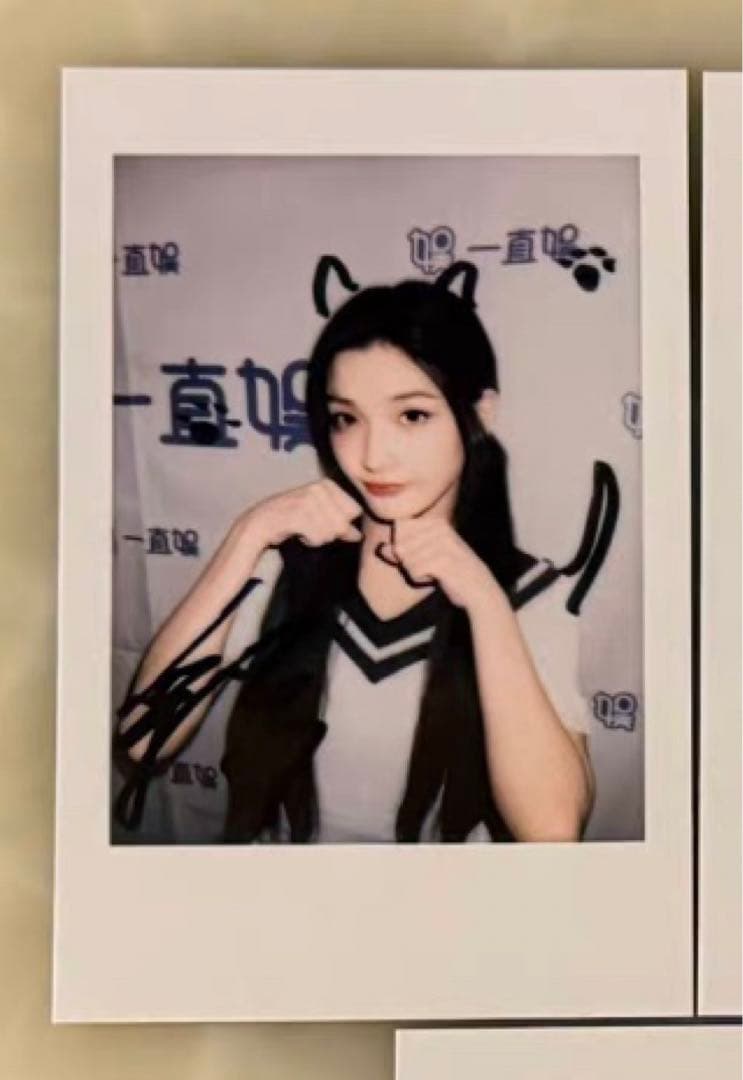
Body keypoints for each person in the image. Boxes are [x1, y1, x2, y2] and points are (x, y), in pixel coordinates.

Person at [114, 259, 616, 844]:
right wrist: (249, 534)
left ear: (480, 415)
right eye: (346, 419)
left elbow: (552, 831)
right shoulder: (286, 566)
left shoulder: (526, 596)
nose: (373, 455)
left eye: (412, 415)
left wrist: (483, 599)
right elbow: (144, 742)